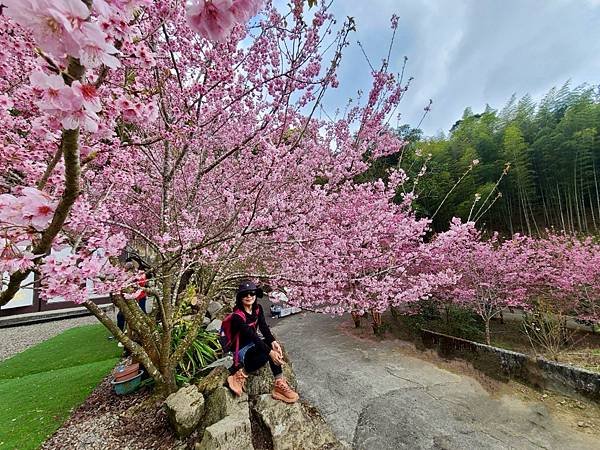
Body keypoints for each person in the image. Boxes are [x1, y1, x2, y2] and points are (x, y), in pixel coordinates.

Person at [226, 281, 299, 403]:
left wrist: (273, 342)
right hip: (241, 349)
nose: (249, 296)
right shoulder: (237, 317)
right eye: (245, 294)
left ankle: (279, 383)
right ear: (240, 297)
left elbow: (264, 328)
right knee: (265, 354)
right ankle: (239, 375)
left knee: (272, 348)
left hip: (254, 344)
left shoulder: (258, 309)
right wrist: (269, 351)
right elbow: (253, 336)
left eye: (252, 293)